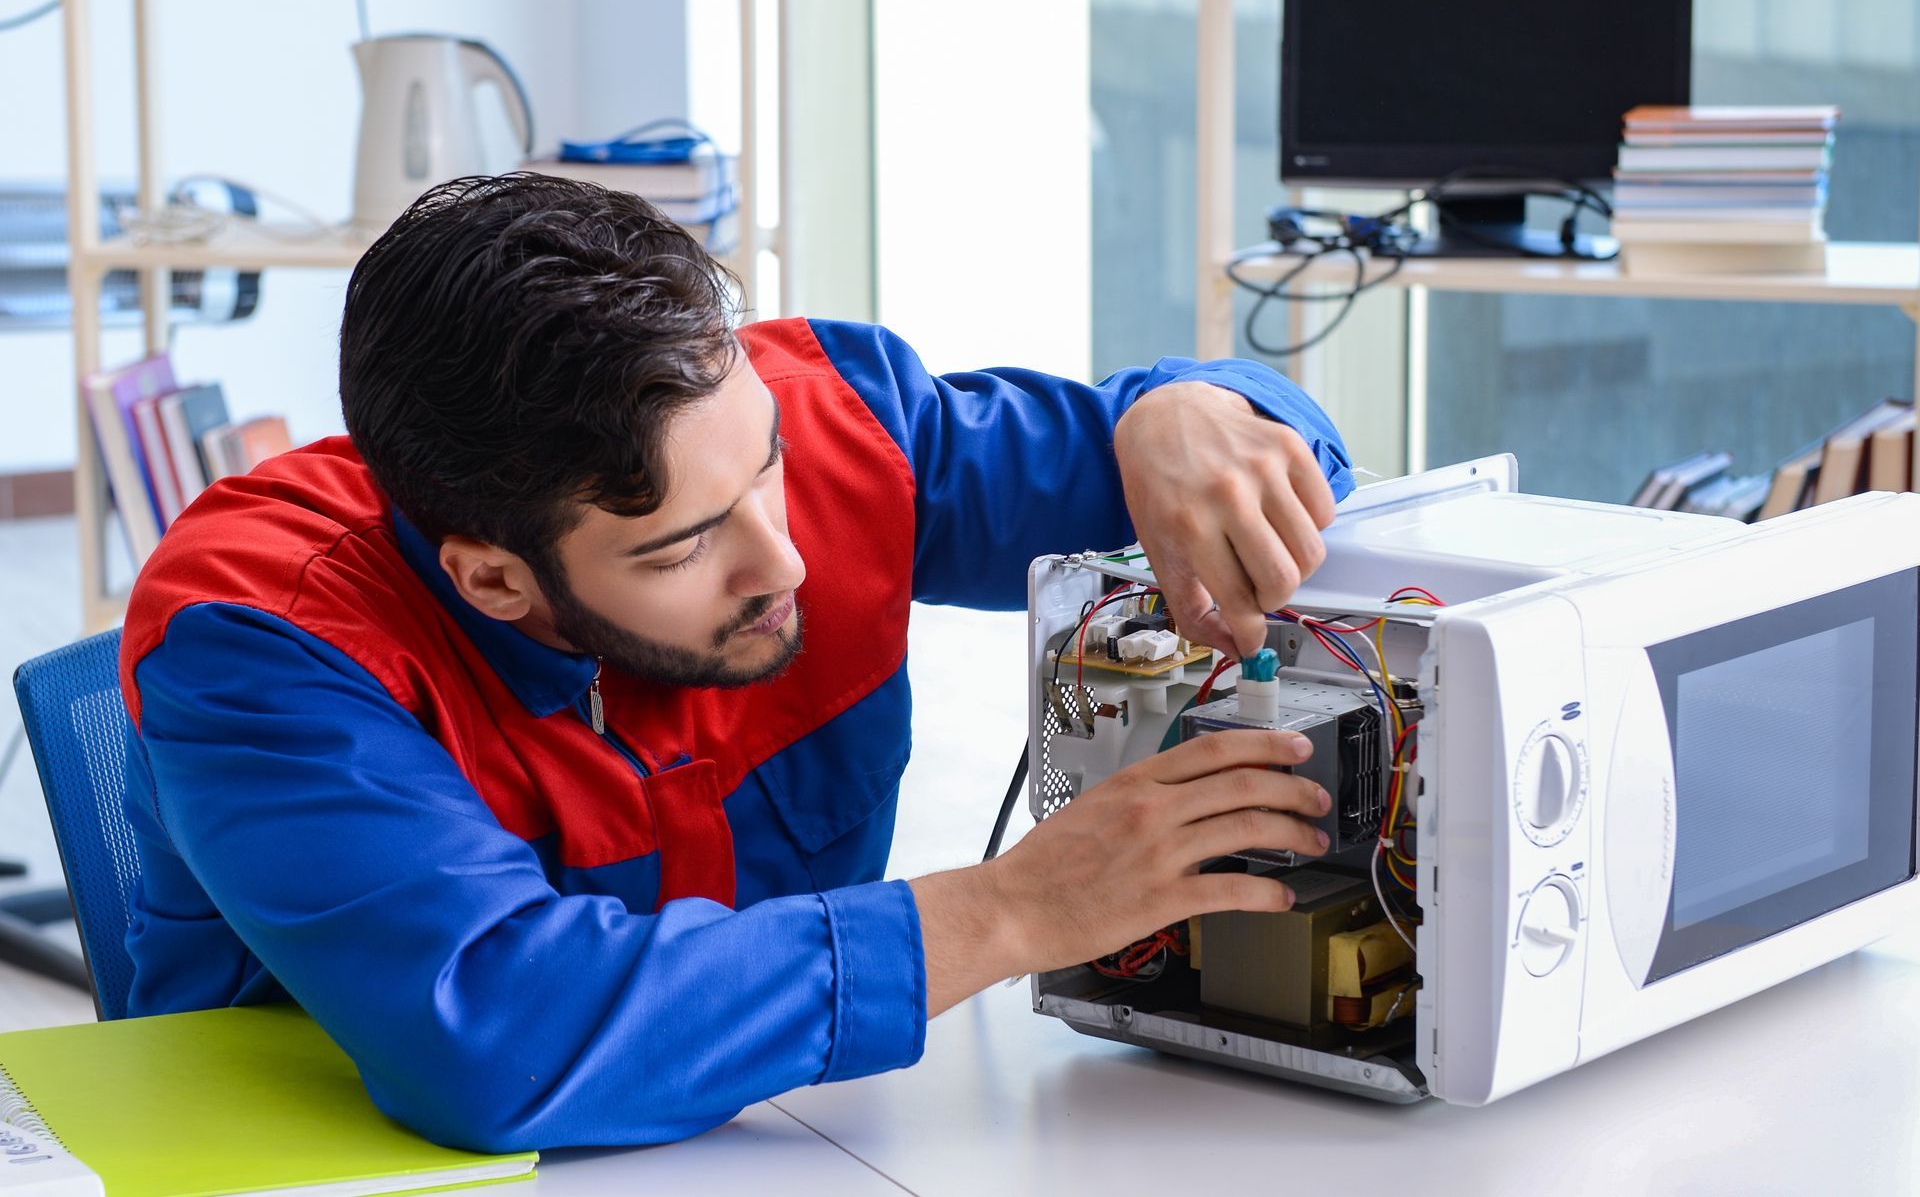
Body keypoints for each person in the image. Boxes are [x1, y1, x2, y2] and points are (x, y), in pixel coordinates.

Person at [117, 173, 1353, 1151]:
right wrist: (1017, 909)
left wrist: (1194, 411)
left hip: (778, 1142)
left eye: (762, 466)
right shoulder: (257, 637)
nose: (787, 559)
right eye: (686, 547)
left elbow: (1244, 486)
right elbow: (491, 1033)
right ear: (491, 575)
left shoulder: (830, 420)